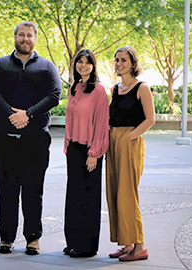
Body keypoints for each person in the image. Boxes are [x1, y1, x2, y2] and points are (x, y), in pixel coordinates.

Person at [0, 21, 61, 255]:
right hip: (5, 139)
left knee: (33, 189)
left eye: (29, 35)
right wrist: (11, 114)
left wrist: (28, 114)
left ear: (35, 39)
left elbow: (55, 95)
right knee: (7, 189)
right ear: (15, 37)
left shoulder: (47, 67)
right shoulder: (0, 64)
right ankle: (6, 238)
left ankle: (33, 238)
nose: (25, 39)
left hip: (35, 140)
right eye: (21, 35)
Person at [106, 46, 155, 261]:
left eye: (123, 60)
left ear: (133, 63)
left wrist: (130, 136)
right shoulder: (116, 89)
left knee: (128, 194)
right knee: (115, 191)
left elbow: (150, 120)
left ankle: (140, 246)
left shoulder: (142, 88)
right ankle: (127, 243)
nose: (119, 63)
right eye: (117, 60)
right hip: (113, 141)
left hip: (130, 141)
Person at [63, 49, 109, 258]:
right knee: (73, 196)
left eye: (87, 62)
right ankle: (72, 241)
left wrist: (95, 153)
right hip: (74, 149)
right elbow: (70, 118)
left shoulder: (99, 91)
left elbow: (101, 123)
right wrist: (67, 145)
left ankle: (86, 246)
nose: (83, 65)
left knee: (88, 199)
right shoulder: (74, 88)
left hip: (90, 151)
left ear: (93, 66)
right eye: (79, 62)